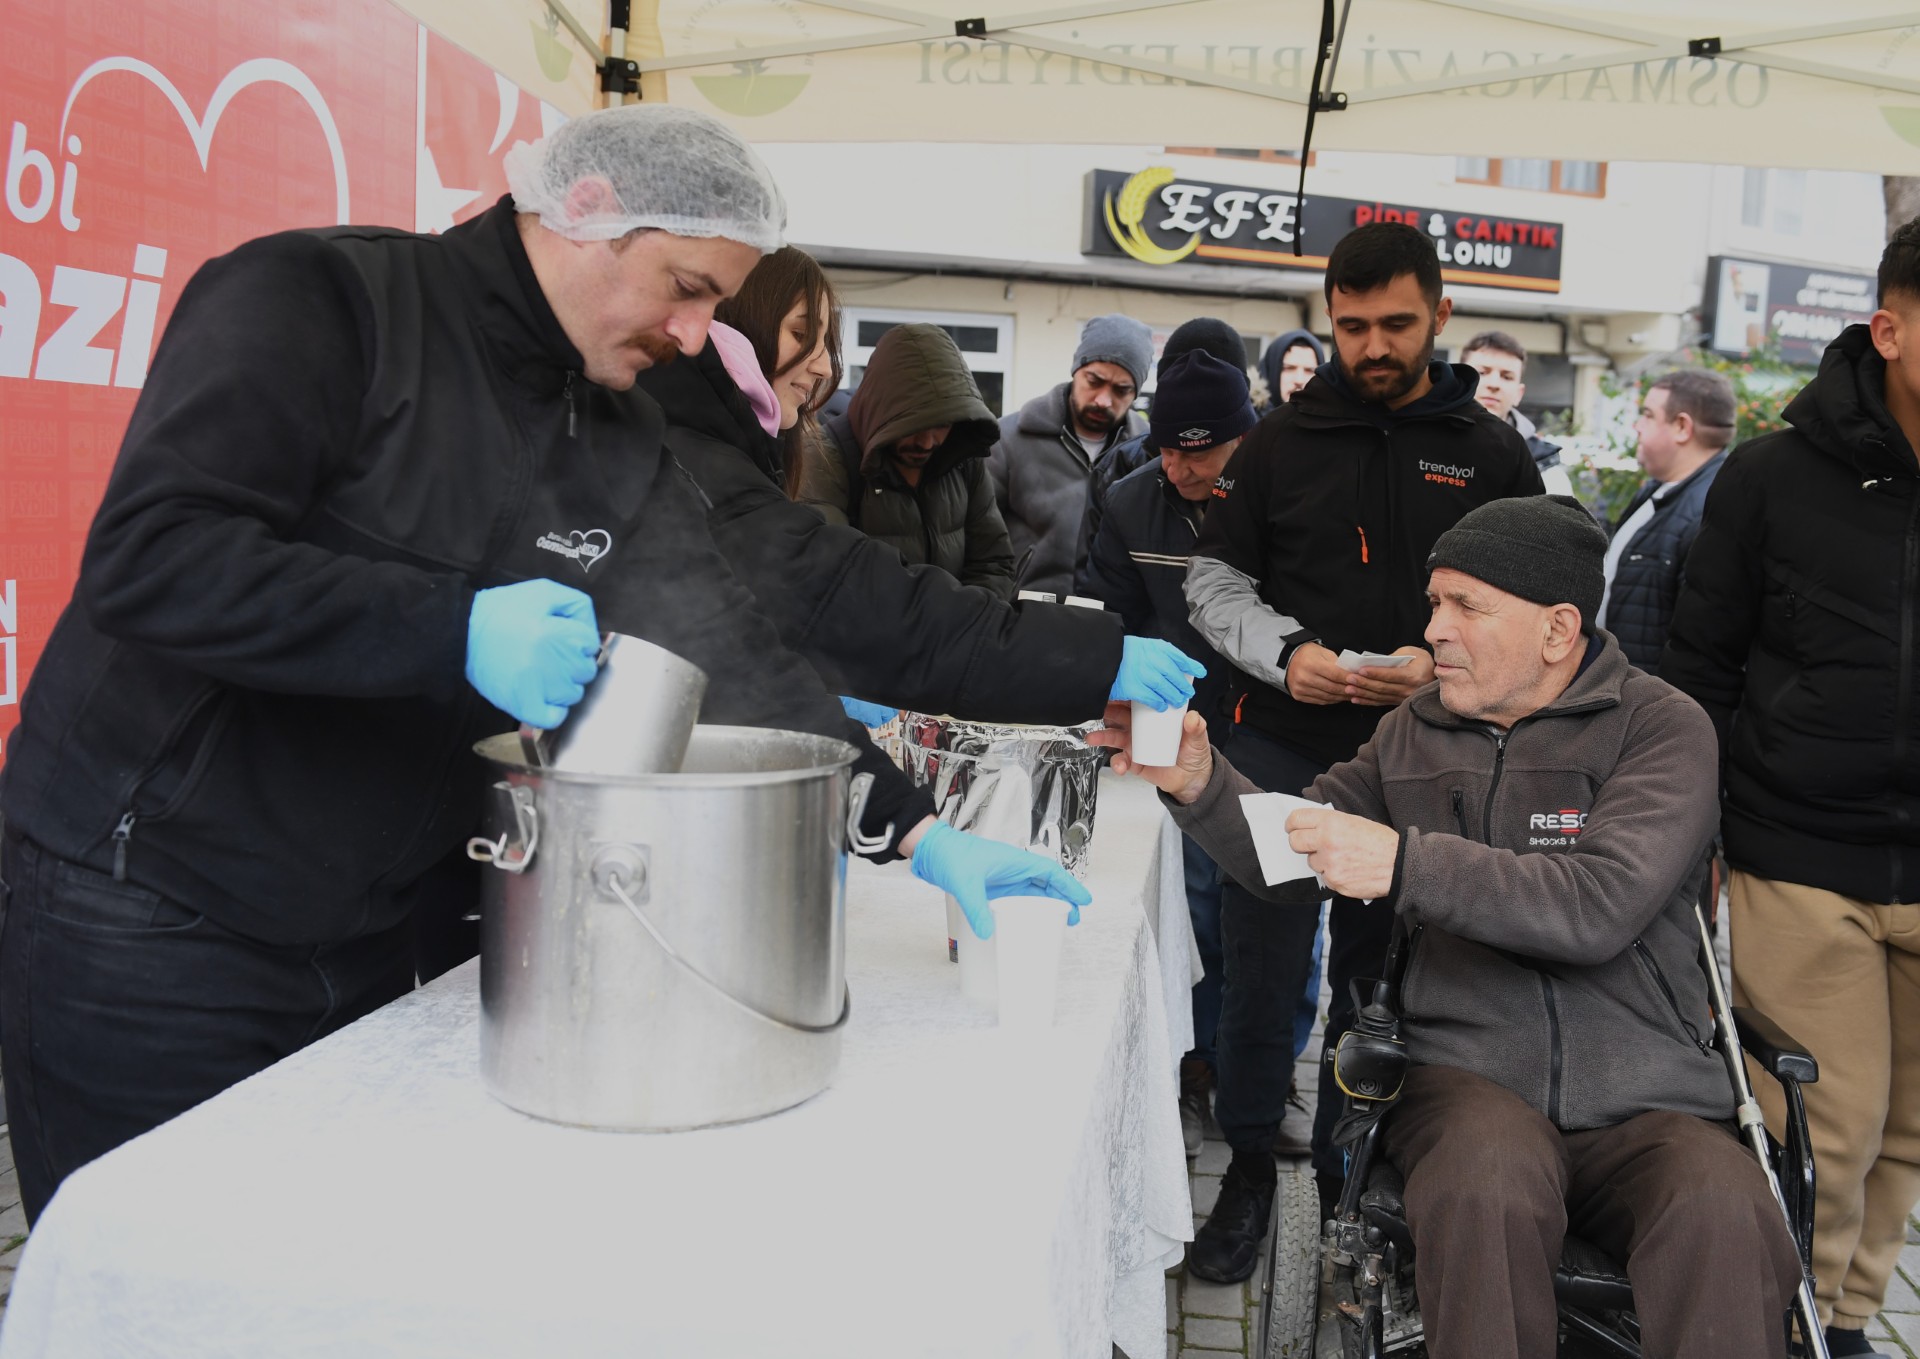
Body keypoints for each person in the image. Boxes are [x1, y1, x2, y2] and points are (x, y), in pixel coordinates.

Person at [0, 106, 1083, 1224]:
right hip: (146, 909)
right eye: (689, 287)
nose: (697, 330)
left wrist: (915, 828)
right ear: (587, 213)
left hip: (366, 929)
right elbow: (155, 561)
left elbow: (726, 640)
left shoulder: (611, 429)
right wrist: (447, 626)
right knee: (149, 1280)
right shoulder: (325, 302)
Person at [1096, 495, 1804, 1359]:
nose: (1434, 629)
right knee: (1484, 1181)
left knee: (1723, 1204)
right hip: (1467, 1078)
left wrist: (1405, 862)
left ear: (1557, 628)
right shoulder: (1410, 733)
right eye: (1435, 603)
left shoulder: (1661, 727)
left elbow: (1600, 903)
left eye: (1465, 605)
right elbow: (1291, 853)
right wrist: (1200, 778)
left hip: (1650, 1090)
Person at [1180, 221, 1544, 1283]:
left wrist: (1449, 669)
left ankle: (1354, 1190)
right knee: (1262, 972)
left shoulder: (1489, 448)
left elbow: (1547, 605)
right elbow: (1213, 584)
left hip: (1429, 760)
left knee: (1382, 987)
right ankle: (1250, 1168)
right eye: (1351, 328)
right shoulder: (1282, 438)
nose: (1372, 347)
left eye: (1394, 325)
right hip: (1284, 742)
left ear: (1438, 313)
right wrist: (1289, 656)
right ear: (1327, 320)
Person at [1662, 218, 1920, 1359]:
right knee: (1820, 1119)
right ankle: (1788, 1321)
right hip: (1801, 854)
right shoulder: (1772, 477)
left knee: (1910, 1130)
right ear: (1890, 328)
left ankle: (1853, 1325)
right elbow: (1701, 667)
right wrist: (1699, 831)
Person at [634, 243, 1203, 744]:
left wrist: (908, 819)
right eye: (801, 333)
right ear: (741, 322)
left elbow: (985, 567)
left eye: (827, 342)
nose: (822, 364)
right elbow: (853, 594)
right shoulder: (729, 460)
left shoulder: (738, 448)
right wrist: (1086, 657)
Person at [1081, 348, 1256, 1156]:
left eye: (1203, 451)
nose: (1182, 466)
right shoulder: (1127, 498)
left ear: (1240, 442)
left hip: (1262, 722)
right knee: (1190, 901)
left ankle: (1252, 1066)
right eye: (1170, 448)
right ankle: (1190, 1060)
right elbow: (1106, 613)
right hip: (1166, 725)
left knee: (1259, 902)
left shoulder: (1271, 496)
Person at [797, 324, 1017, 600]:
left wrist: (962, 627)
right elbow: (832, 579)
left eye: (942, 425)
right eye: (912, 426)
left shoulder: (963, 458)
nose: (927, 442)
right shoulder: (825, 459)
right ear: (881, 412)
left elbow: (993, 564)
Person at [1077, 317, 1248, 582]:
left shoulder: (1286, 488)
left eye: (1197, 455)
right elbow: (1101, 602)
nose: (1176, 474)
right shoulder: (1121, 480)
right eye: (1167, 450)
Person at [991, 314, 1152, 597]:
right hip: (1021, 620)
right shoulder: (1007, 439)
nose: (1103, 400)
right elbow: (979, 542)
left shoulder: (1148, 454)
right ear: (1076, 370)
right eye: (1094, 381)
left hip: (1111, 622)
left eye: (1121, 390)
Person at [1596, 369, 1733, 676]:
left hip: (1652, 711)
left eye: (1647, 415)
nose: (1637, 427)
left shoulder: (1709, 512)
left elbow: (1702, 646)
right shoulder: (1658, 491)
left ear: (1682, 427)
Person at [1459, 330, 1574, 498]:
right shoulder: (1428, 443)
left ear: (1519, 393)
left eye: (1507, 376)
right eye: (1483, 372)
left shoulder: (1546, 470)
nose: (1494, 384)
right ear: (1459, 380)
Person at [1253, 327, 1325, 412]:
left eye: (1309, 370)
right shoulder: (1245, 421)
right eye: (1289, 368)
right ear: (1272, 371)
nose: (1299, 380)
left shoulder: (1333, 422)